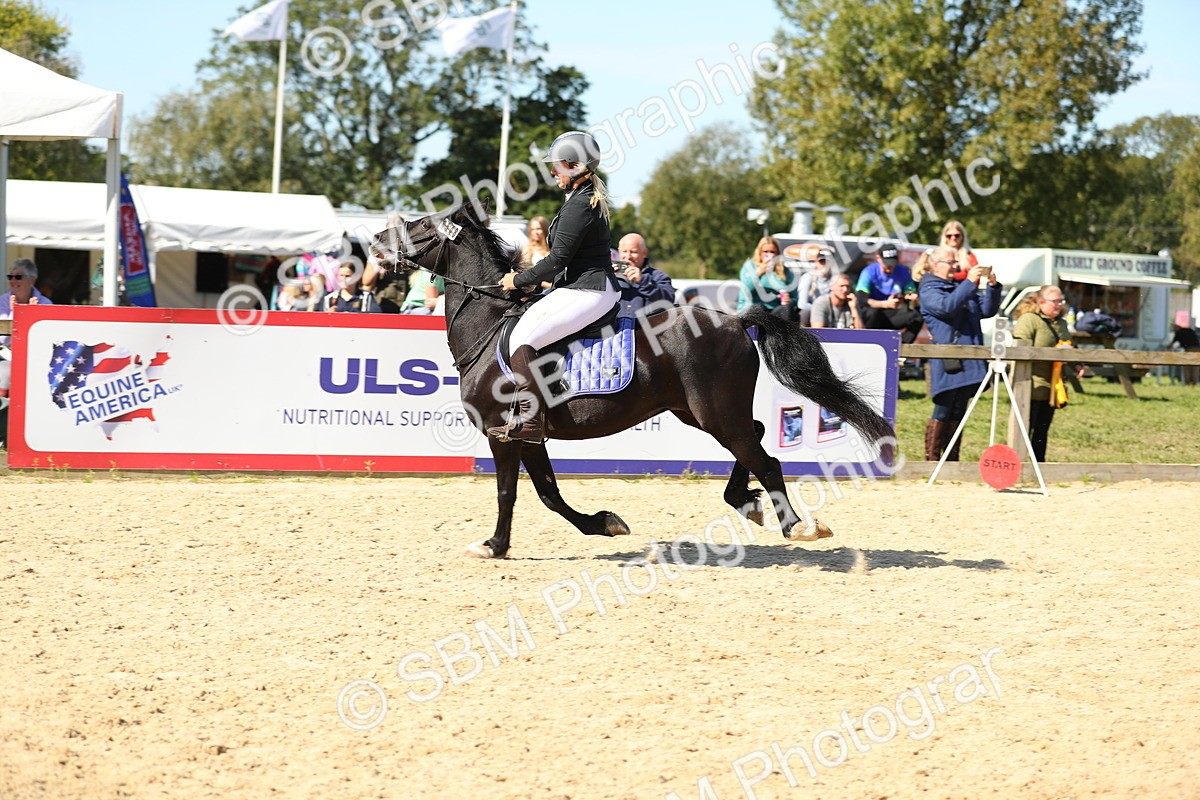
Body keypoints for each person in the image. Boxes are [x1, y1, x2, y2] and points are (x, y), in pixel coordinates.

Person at [492, 130, 620, 442]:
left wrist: (517, 279)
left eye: (558, 165)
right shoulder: (579, 198)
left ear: (575, 165)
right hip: (578, 287)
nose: (552, 171)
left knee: (522, 338)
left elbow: (557, 259)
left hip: (588, 290)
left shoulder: (579, 205)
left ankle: (532, 423)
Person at [918, 246, 1002, 462]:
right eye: (951, 262)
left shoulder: (958, 287)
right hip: (949, 360)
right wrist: (969, 283)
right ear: (936, 265)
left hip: (968, 357)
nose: (956, 265)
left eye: (956, 262)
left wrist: (992, 286)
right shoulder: (929, 289)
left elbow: (986, 310)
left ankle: (952, 460)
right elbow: (947, 307)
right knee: (944, 408)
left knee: (959, 410)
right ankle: (932, 460)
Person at [1011, 285, 1072, 462]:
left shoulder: (1061, 323)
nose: (1059, 304)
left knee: (1042, 430)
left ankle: (1039, 466)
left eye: (1061, 300)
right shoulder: (1029, 319)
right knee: (1023, 429)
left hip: (1052, 386)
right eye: (1055, 301)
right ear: (1041, 302)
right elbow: (1019, 346)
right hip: (1030, 384)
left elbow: (1067, 345)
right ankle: (1018, 465)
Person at [1, 259, 52, 446]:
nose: (13, 281)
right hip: (7, 355)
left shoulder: (46, 303)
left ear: (32, 279)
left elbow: (47, 339)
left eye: (18, 276)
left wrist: (31, 313)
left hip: (35, 359)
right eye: (10, 276)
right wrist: (18, 314)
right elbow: (2, 340)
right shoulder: (2, 302)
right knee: (5, 374)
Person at [855, 244, 923, 343]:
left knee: (917, 316)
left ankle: (900, 346)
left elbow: (909, 292)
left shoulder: (903, 271)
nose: (890, 267)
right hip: (873, 315)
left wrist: (910, 297)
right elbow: (862, 299)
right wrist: (885, 304)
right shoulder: (869, 272)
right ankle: (868, 341)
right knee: (872, 312)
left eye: (893, 264)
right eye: (886, 264)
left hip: (892, 313)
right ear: (878, 258)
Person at [737, 236, 798, 320]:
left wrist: (789, 300)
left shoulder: (784, 271)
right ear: (759, 252)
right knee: (758, 308)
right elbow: (746, 290)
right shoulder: (750, 266)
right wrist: (759, 273)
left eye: (772, 252)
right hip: (753, 307)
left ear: (777, 254)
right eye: (766, 251)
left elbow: (795, 297)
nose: (769, 255)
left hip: (775, 310)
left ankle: (780, 333)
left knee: (786, 308)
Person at [614, 232, 675, 314]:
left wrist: (643, 281)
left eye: (633, 252)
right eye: (624, 251)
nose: (628, 257)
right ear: (619, 251)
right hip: (615, 326)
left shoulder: (658, 276)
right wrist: (606, 280)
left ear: (644, 252)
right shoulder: (610, 275)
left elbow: (669, 301)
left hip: (647, 326)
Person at [796, 247, 835, 325]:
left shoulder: (835, 279)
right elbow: (802, 304)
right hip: (813, 312)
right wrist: (821, 311)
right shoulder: (808, 277)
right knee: (805, 313)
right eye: (822, 261)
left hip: (831, 313)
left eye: (827, 261)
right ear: (816, 262)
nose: (825, 265)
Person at [1171, 321, 1200, 385]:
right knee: (1195, 366)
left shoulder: (1178, 333)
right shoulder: (1189, 330)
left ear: (1176, 327)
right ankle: (1194, 382)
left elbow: (1171, 344)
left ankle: (1188, 382)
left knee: (1186, 366)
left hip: (1189, 349)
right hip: (1197, 349)